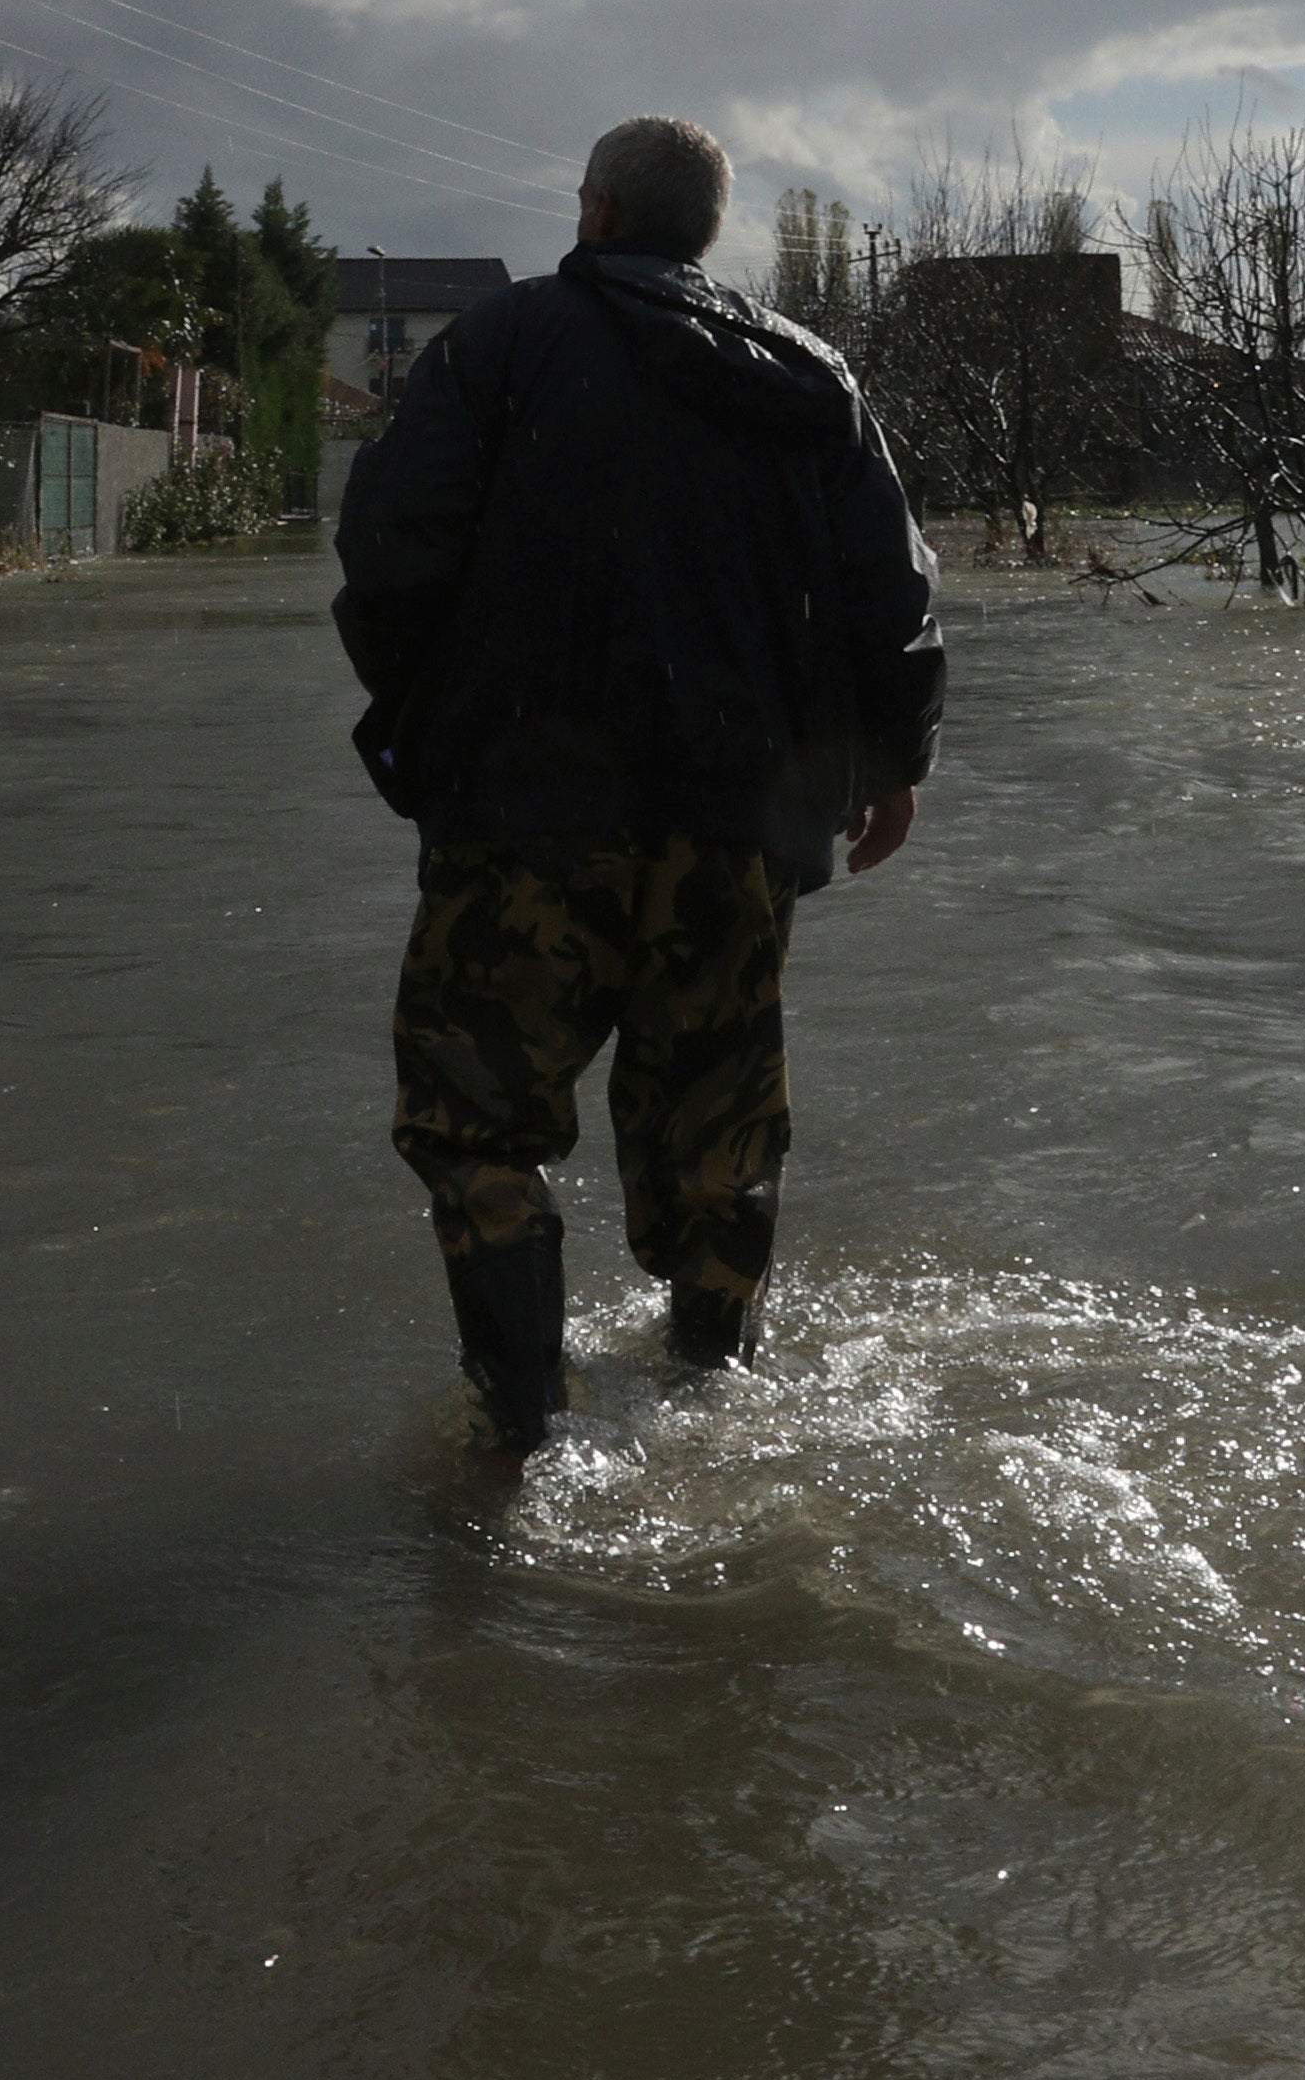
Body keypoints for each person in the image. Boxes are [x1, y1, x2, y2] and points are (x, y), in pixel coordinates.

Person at [332, 113, 947, 1454]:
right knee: (720, 1134)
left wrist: (426, 725)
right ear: (706, 231)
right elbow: (889, 598)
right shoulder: (810, 377)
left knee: (478, 1124)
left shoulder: (500, 344)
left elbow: (388, 549)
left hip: (521, 815)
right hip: (733, 825)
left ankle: (526, 1440)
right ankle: (712, 1409)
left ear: (596, 211)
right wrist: (892, 763)